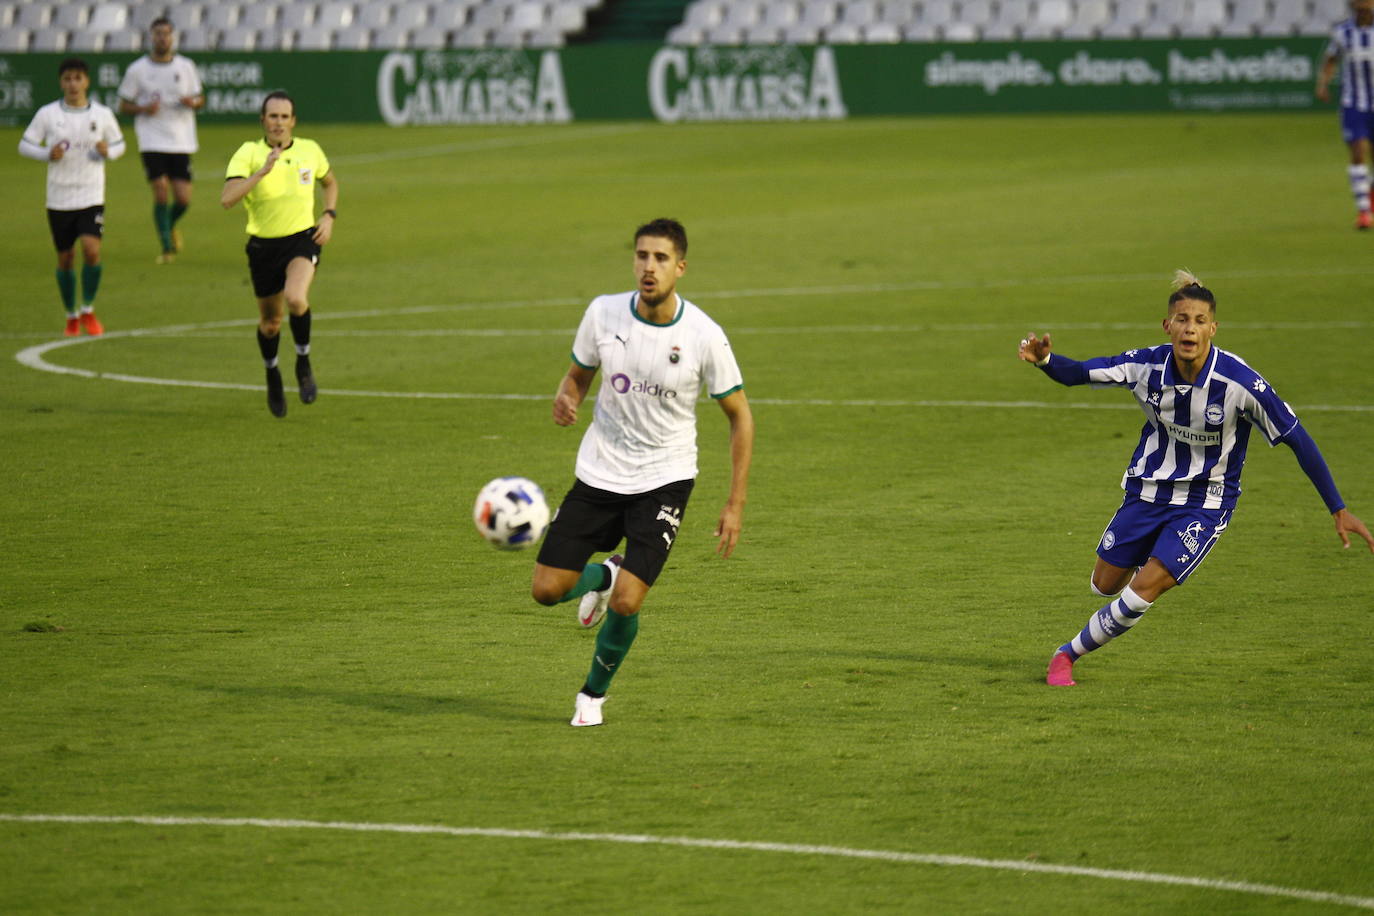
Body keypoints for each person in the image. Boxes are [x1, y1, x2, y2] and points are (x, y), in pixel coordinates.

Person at [1018, 271, 1373, 686]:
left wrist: (1338, 508)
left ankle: (1067, 655)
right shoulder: (1146, 365)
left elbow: (1299, 439)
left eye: (1200, 320)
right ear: (1168, 326)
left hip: (1206, 503)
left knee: (1141, 593)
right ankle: (1147, 560)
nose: (1190, 327)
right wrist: (1045, 361)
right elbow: (1080, 372)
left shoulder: (1240, 383)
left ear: (1213, 328)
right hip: (1148, 491)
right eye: (1183, 319)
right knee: (1104, 584)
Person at [530, 219, 755, 727]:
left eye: (659, 258)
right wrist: (567, 397)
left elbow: (740, 415)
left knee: (629, 602)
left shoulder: (703, 335)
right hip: (599, 471)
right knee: (545, 589)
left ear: (680, 267)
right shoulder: (603, 313)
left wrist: (734, 502)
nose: (648, 266)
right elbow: (577, 375)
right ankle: (604, 574)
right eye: (641, 256)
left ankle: (592, 696)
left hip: (664, 478)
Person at [220, 90, 337, 419]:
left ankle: (303, 361)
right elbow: (227, 199)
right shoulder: (249, 153)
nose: (279, 123)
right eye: (273, 116)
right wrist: (261, 173)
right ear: (263, 120)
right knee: (270, 323)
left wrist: (329, 215)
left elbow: (330, 183)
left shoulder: (310, 150)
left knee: (296, 298)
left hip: (302, 239)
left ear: (293, 121)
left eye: (285, 117)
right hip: (263, 246)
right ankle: (272, 372)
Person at [17, 57, 126, 338]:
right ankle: (70, 315)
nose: (73, 84)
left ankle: (88, 309)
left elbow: (120, 144)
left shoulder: (101, 114)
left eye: (78, 78)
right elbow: (25, 144)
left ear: (87, 81)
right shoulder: (48, 114)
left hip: (91, 194)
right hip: (59, 197)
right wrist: (46, 153)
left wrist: (108, 151)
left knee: (92, 251)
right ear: (61, 82)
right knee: (65, 258)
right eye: (67, 79)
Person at [118, 17, 204, 263]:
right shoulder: (138, 70)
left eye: (166, 34)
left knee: (184, 198)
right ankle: (166, 246)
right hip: (151, 137)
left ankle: (169, 224)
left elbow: (200, 99)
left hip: (180, 138)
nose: (162, 38)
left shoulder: (186, 66)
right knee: (160, 191)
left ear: (173, 37)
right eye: (158, 34)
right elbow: (124, 104)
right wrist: (143, 108)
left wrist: (192, 102)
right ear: (150, 37)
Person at [1317, 0, 1374, 230]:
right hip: (1353, 103)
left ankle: (1368, 198)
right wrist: (1323, 83)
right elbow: (1331, 59)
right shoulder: (1343, 33)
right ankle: (1363, 212)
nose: (1363, 8)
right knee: (1358, 152)